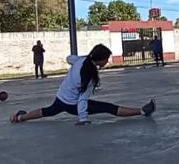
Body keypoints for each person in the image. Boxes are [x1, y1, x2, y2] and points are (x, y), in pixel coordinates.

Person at [11, 44, 155, 126]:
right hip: (73, 104)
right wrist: (83, 119)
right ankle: (141, 111)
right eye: (106, 59)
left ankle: (19, 118)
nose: (107, 62)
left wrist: (74, 59)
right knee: (108, 107)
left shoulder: (81, 60)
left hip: (61, 97)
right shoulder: (90, 76)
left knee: (47, 111)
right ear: (100, 59)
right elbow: (82, 100)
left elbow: (69, 58)